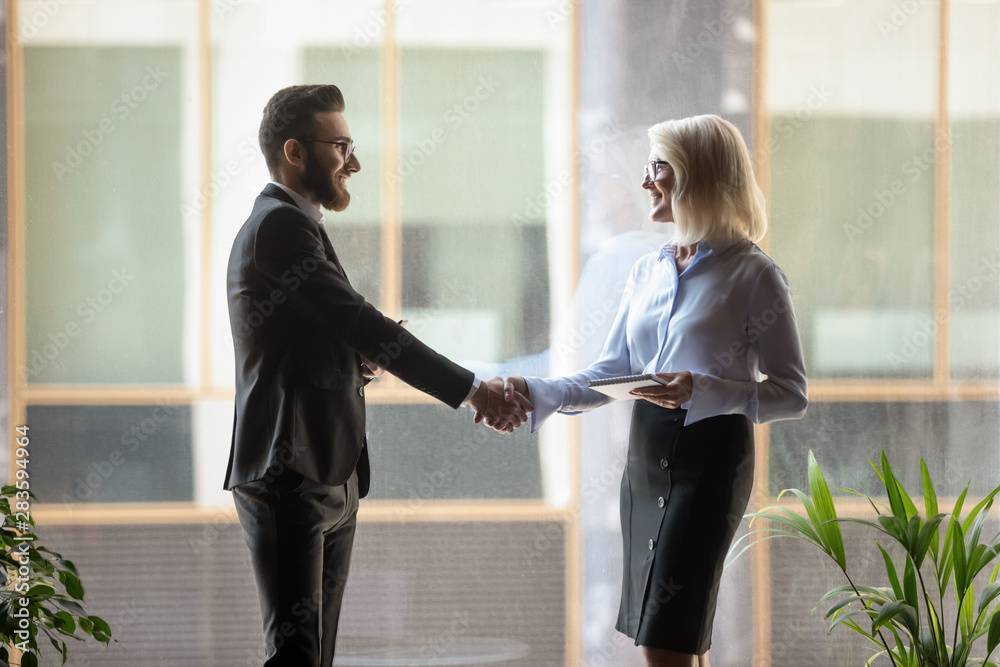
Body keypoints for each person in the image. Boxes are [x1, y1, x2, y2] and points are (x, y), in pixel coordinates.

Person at [223, 84, 531, 667]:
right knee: (295, 656)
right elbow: (361, 322)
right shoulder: (278, 226)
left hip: (327, 471)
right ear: (295, 152)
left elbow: (319, 338)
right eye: (341, 146)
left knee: (315, 656)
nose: (354, 162)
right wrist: (473, 392)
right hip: (289, 469)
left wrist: (356, 363)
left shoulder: (299, 224)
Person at [490, 114, 808, 667]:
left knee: (666, 639)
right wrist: (533, 390)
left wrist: (703, 389)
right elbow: (607, 374)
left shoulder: (755, 275)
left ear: (697, 175)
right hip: (645, 457)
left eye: (657, 168)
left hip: (710, 463)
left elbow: (790, 393)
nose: (644, 182)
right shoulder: (647, 271)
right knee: (675, 636)